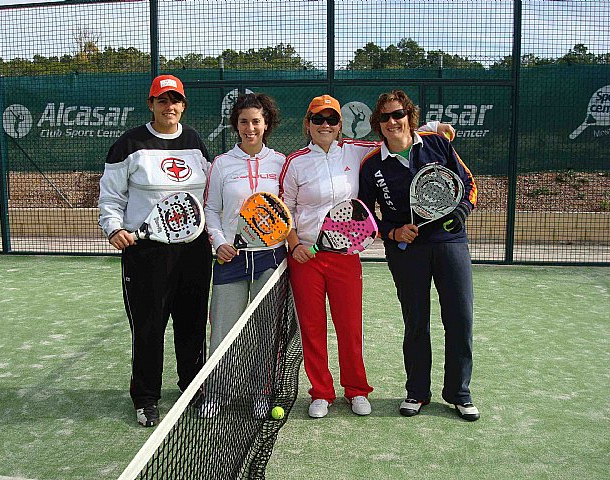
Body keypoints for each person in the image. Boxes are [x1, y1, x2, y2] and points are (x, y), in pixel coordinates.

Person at [280, 94, 452, 418]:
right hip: (306, 257)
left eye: (332, 120)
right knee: (312, 328)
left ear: (340, 125)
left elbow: (396, 135)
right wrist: (294, 244)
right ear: (308, 124)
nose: (325, 125)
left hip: (345, 255)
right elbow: (285, 208)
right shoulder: (296, 162)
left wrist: (433, 127)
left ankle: (356, 390)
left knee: (349, 327)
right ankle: (321, 392)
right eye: (318, 120)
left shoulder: (358, 151)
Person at [358, 89, 479, 421]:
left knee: (460, 318)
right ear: (378, 124)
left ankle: (459, 392)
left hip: (449, 242)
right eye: (385, 117)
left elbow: (468, 183)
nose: (392, 122)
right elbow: (365, 214)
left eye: (398, 114)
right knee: (416, 322)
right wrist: (392, 232)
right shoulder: (372, 164)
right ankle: (417, 391)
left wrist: (463, 211)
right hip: (406, 251)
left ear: (409, 115)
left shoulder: (437, 144)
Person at [98, 74, 213, 427]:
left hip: (193, 251)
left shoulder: (194, 141)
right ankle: (146, 397)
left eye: (175, 100)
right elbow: (110, 196)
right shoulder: (129, 144)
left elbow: (209, 191)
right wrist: (114, 227)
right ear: (151, 104)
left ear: (183, 105)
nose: (169, 106)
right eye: (162, 100)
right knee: (149, 327)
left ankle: (192, 386)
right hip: (146, 253)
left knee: (192, 323)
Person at [202, 93, 286, 417]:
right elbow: (211, 209)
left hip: (270, 259)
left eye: (256, 121)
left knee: (264, 331)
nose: (249, 128)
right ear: (235, 125)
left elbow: (287, 207)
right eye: (243, 122)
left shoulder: (280, 163)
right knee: (223, 329)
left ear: (266, 124)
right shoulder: (222, 164)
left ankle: (259, 393)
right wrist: (219, 242)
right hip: (230, 258)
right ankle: (216, 393)